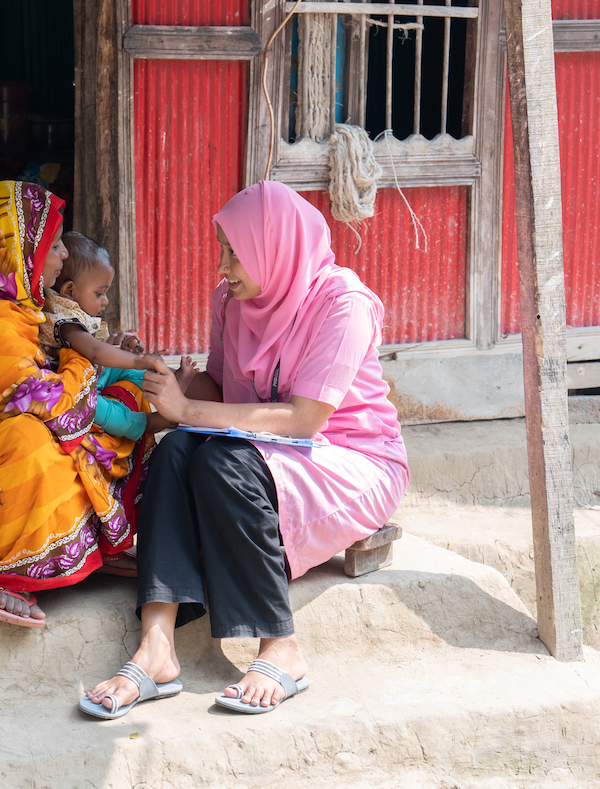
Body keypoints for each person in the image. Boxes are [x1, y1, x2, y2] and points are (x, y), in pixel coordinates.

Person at [81, 181, 409, 718]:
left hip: (350, 455)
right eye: (221, 249)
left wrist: (189, 413)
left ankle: (281, 645)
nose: (222, 267)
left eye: (235, 252)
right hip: (263, 448)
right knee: (176, 453)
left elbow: (305, 419)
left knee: (218, 460)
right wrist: (175, 388)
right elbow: (222, 388)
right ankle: (156, 646)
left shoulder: (341, 304)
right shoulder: (231, 301)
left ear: (275, 247)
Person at [0, 181, 156, 628]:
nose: (64, 254)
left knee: (123, 399)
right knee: (31, 437)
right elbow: (56, 403)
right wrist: (80, 354)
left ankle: (97, 545)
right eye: (53, 243)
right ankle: (4, 577)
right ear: (13, 251)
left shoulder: (23, 309)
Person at [41, 231, 194, 441]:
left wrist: (121, 348)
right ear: (69, 291)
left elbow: (98, 348)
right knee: (96, 407)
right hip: (75, 386)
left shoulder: (73, 311)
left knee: (126, 371)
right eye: (99, 293)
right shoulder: (62, 321)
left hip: (95, 374)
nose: (105, 301)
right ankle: (145, 422)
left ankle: (166, 387)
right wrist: (138, 361)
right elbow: (94, 351)